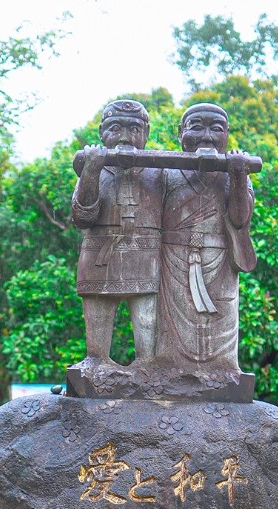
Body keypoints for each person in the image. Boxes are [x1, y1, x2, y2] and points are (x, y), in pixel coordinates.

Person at [156, 103, 256, 373]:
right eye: (197, 127)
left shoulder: (237, 172)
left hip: (219, 259)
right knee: (170, 326)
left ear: (227, 135)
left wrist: (237, 177)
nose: (207, 136)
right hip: (173, 259)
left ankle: (223, 374)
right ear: (180, 133)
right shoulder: (166, 171)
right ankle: (169, 372)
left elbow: (239, 219)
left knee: (221, 321)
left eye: (216, 129)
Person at [71, 100, 165, 365]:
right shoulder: (92, 168)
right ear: (102, 132)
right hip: (100, 256)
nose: (125, 137)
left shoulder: (160, 171)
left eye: (134, 129)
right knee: (96, 356)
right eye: (116, 128)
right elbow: (82, 217)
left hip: (147, 260)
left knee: (148, 353)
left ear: (146, 133)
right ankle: (97, 361)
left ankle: (146, 368)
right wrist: (90, 171)